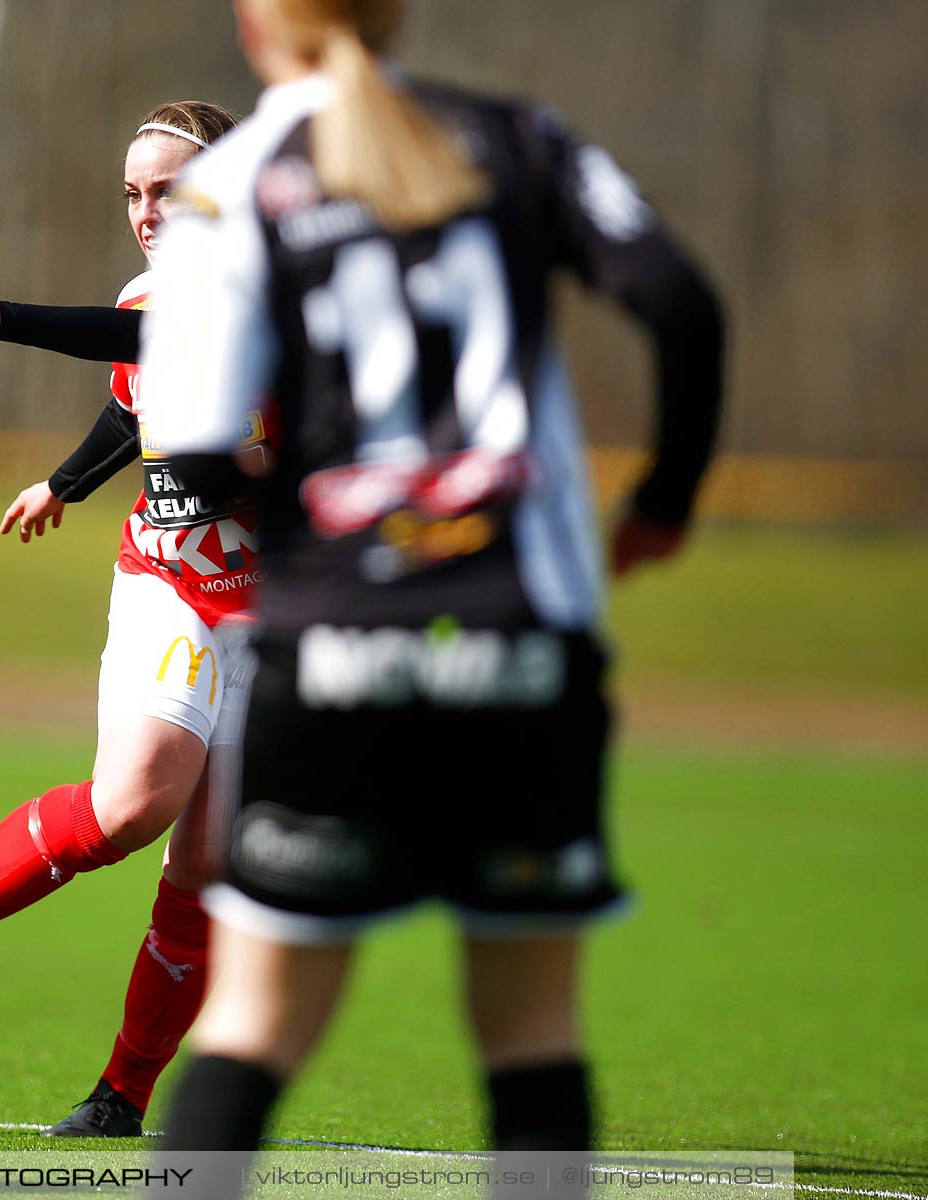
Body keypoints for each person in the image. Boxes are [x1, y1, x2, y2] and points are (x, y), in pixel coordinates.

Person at [140, 0, 725, 1180]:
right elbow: (682, 305)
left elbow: (189, 455)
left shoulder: (234, 181)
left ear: (260, 28)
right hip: (524, 636)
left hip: (330, 647)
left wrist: (325, 502)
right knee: (529, 1039)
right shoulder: (522, 139)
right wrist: (661, 507)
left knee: (253, 1028)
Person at [0, 101, 260, 1139]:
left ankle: (120, 1099)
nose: (146, 213)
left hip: (281, 618)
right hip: (172, 581)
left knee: (207, 869)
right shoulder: (155, 295)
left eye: (166, 189)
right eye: (132, 194)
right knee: (132, 807)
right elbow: (138, 387)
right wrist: (66, 483)